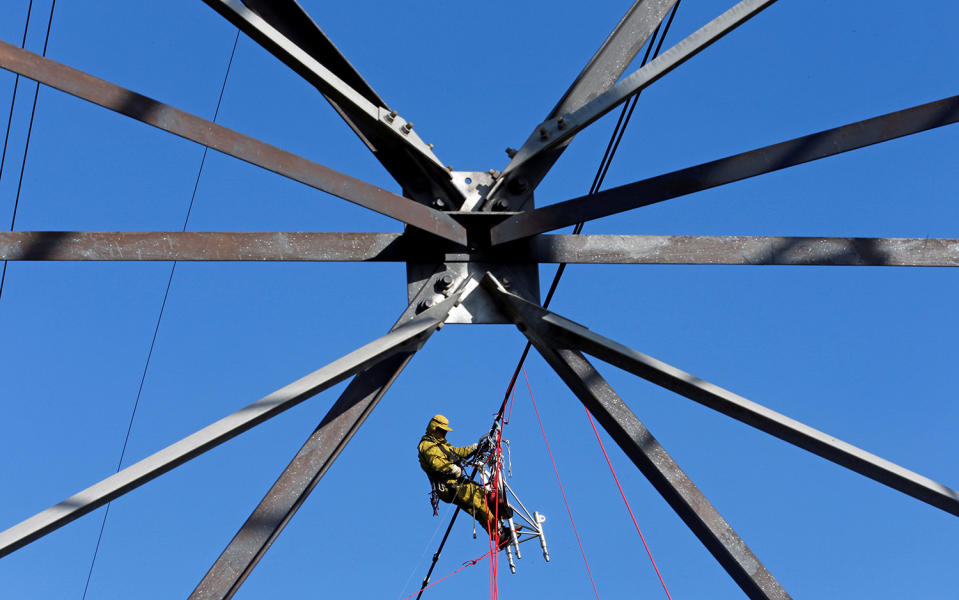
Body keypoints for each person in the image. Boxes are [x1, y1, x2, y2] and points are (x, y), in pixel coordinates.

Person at [417, 414, 512, 544]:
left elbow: (455, 454)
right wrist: (452, 469)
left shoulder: (440, 444)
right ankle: (499, 531)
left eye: (445, 431)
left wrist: (474, 449)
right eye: (442, 430)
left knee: (477, 508)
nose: (444, 433)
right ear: (434, 428)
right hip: (447, 485)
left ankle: (498, 535)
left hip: (455, 484)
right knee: (480, 499)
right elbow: (436, 463)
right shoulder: (427, 446)